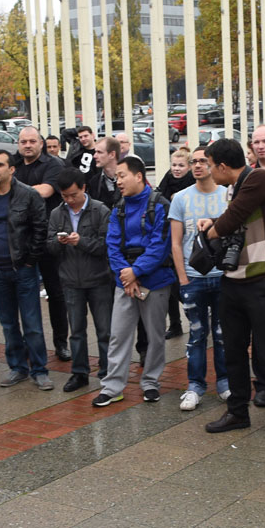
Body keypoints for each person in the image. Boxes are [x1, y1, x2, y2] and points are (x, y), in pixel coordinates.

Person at [199, 138, 265, 449]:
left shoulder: (258, 178)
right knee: (233, 352)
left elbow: (233, 219)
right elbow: (236, 220)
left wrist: (210, 231)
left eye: (211, 166)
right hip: (234, 280)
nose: (209, 173)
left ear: (223, 166)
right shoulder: (236, 186)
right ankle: (237, 412)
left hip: (262, 282)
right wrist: (214, 222)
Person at [92, 156, 174, 406]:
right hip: (125, 281)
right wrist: (126, 275)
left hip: (156, 280)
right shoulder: (119, 207)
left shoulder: (160, 205)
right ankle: (112, 386)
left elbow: (160, 246)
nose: (118, 181)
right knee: (118, 334)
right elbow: (112, 244)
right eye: (116, 177)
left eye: (122, 175)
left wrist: (135, 272)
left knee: (155, 335)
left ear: (139, 176)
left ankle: (150, 382)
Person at [0, 149, 54, 391]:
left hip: (23, 269)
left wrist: (30, 260)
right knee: (8, 323)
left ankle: (40, 370)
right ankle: (18, 368)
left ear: (11, 169)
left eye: (0, 165)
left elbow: (40, 228)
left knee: (32, 322)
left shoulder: (28, 195)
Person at [169, 147, 230, 410]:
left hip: (223, 278)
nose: (196, 166)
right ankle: (195, 386)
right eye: (193, 161)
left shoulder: (226, 195)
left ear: (213, 164)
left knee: (222, 334)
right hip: (193, 279)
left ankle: (225, 384)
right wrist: (183, 279)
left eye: (202, 161)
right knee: (196, 335)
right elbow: (175, 242)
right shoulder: (180, 198)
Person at [48, 168, 113, 392]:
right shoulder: (57, 213)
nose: (69, 200)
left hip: (99, 279)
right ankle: (79, 373)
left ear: (83, 188)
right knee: (76, 331)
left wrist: (81, 242)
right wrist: (60, 242)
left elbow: (106, 246)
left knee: (105, 330)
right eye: (64, 195)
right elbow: (49, 246)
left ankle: (107, 372)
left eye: (73, 195)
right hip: (70, 281)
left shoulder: (99, 210)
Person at [14, 126, 71, 361]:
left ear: (40, 143)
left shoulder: (54, 164)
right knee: (25, 295)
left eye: (32, 141)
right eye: (23, 141)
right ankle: (30, 343)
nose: (27, 145)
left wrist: (11, 191)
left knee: (55, 294)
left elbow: (46, 191)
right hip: (20, 240)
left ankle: (61, 343)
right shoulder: (13, 164)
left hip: (48, 238)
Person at [157, 148, 195, 339]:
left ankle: (197, 316)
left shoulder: (192, 182)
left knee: (186, 285)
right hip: (170, 237)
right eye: (174, 165)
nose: (177, 169)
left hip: (189, 237)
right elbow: (158, 199)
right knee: (171, 285)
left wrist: (176, 199)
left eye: (181, 166)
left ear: (189, 167)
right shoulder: (167, 180)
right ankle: (175, 324)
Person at [87, 137, 122, 208]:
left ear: (112, 154)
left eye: (99, 152)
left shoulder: (129, 179)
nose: (94, 156)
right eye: (95, 152)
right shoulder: (94, 182)